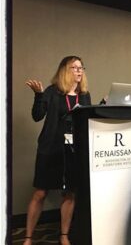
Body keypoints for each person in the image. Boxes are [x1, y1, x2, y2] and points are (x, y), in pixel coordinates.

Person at [24, 56, 91, 245]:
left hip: (73, 150)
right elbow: (37, 116)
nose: (79, 71)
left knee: (70, 193)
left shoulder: (84, 94)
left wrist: (100, 107)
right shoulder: (53, 91)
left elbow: (85, 120)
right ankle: (28, 237)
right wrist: (38, 95)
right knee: (40, 193)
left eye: (81, 67)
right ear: (64, 70)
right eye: (75, 67)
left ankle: (64, 236)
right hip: (50, 148)